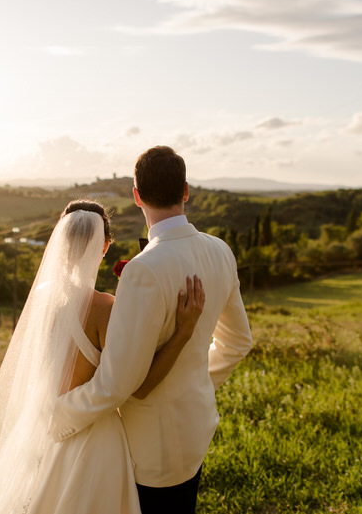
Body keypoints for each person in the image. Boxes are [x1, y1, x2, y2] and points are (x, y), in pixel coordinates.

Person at [0, 199, 205, 514]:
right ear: (105, 246)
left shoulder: (42, 296)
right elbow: (133, 380)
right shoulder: (105, 308)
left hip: (43, 428)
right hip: (94, 438)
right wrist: (182, 332)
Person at [50, 146, 253, 514]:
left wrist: (61, 415)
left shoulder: (143, 270)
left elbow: (117, 384)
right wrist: (195, 381)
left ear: (137, 196)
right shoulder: (221, 251)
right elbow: (238, 342)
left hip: (153, 444)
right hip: (196, 424)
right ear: (186, 191)